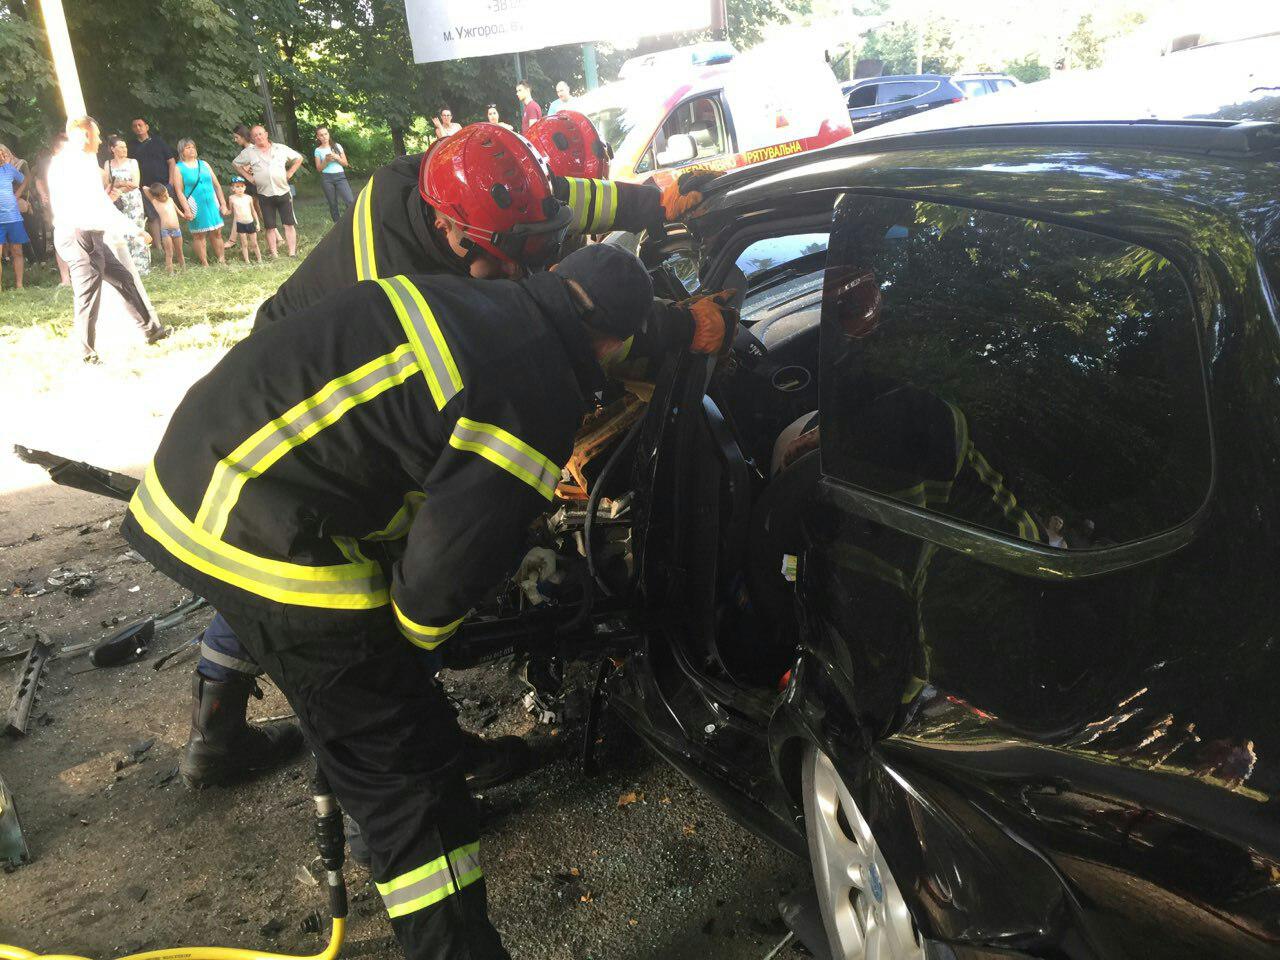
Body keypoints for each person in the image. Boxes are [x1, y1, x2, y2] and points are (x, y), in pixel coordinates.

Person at [122, 242, 659, 960]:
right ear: (612, 343)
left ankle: (262, 750)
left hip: (202, 465)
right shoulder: (535, 389)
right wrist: (410, 659)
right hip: (254, 525)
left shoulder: (479, 299)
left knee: (376, 713)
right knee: (407, 770)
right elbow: (435, 586)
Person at [49, 116, 167, 361]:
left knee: (123, 279)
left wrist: (108, 203)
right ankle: (86, 353)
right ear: (82, 135)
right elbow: (97, 206)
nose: (100, 140)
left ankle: (151, 331)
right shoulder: (73, 164)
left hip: (90, 235)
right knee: (88, 294)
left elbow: (98, 203)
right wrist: (136, 230)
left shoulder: (78, 162)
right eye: (96, 134)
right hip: (79, 235)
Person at [233, 125, 302, 257]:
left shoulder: (280, 148)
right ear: (252, 138)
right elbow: (236, 163)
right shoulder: (250, 152)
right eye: (255, 135)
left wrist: (291, 172)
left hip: (282, 191)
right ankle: (274, 254)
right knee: (270, 226)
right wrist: (248, 177)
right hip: (264, 193)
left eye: (260, 134)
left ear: (266, 134)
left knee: (288, 224)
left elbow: (298, 158)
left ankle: (292, 253)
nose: (258, 137)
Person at [173, 138, 228, 266]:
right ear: (182, 151)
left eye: (193, 147)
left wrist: (223, 203)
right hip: (195, 204)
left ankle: (221, 260)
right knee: (199, 234)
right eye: (188, 147)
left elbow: (217, 185)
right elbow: (179, 191)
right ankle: (205, 263)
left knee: (217, 232)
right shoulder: (178, 168)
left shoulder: (204, 164)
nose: (192, 149)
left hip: (212, 202)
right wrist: (186, 209)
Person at [128, 117, 177, 255]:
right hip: (144, 186)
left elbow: (171, 161)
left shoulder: (158, 142)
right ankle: (158, 245)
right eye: (135, 126)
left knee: (167, 213)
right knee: (152, 216)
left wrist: (171, 182)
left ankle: (172, 240)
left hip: (163, 184)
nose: (138, 128)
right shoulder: (131, 146)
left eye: (140, 125)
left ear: (147, 127)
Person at [102, 135, 149, 276]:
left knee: (137, 228)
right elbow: (107, 184)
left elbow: (135, 183)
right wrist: (123, 184)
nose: (124, 149)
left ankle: (141, 266)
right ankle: (124, 265)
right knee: (119, 230)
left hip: (133, 200)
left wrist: (119, 184)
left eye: (125, 147)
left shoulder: (132, 162)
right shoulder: (107, 164)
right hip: (116, 200)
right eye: (121, 147)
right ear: (112, 149)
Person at [34, 133, 69, 283]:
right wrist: (42, 194)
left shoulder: (76, 160)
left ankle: (80, 273)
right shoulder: (47, 162)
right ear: (56, 148)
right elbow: (38, 179)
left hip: (77, 205)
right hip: (56, 207)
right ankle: (65, 278)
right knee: (60, 239)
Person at [0, 143, 28, 290]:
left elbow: (25, 180)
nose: (2, 156)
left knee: (17, 251)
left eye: (4, 153)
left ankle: (19, 285)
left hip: (13, 218)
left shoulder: (10, 169)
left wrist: (17, 195)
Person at [313, 126, 354, 223]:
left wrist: (337, 158)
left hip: (340, 176)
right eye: (321, 135)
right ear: (318, 137)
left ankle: (351, 221)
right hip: (327, 178)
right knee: (333, 203)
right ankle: (337, 224)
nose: (324, 137)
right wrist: (326, 161)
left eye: (326, 134)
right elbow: (319, 168)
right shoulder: (318, 150)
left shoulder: (337, 146)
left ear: (329, 134)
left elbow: (345, 163)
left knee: (350, 201)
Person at [146, 183, 185, 272]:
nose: (166, 196)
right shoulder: (155, 202)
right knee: (169, 253)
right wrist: (154, 190)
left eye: (166, 193)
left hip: (176, 230)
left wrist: (184, 215)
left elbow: (178, 211)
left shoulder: (170, 200)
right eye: (163, 196)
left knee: (179, 251)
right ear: (156, 197)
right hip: (166, 231)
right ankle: (170, 272)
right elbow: (145, 188)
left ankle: (183, 269)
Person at [227, 177, 262, 264]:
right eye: (237, 187)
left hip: (250, 222)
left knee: (254, 243)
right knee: (244, 243)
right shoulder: (231, 198)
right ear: (233, 188)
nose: (240, 189)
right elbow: (230, 210)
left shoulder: (249, 198)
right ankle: (247, 261)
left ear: (245, 187)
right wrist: (224, 210)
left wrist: (257, 223)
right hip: (240, 224)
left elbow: (253, 211)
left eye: (242, 186)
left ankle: (260, 259)